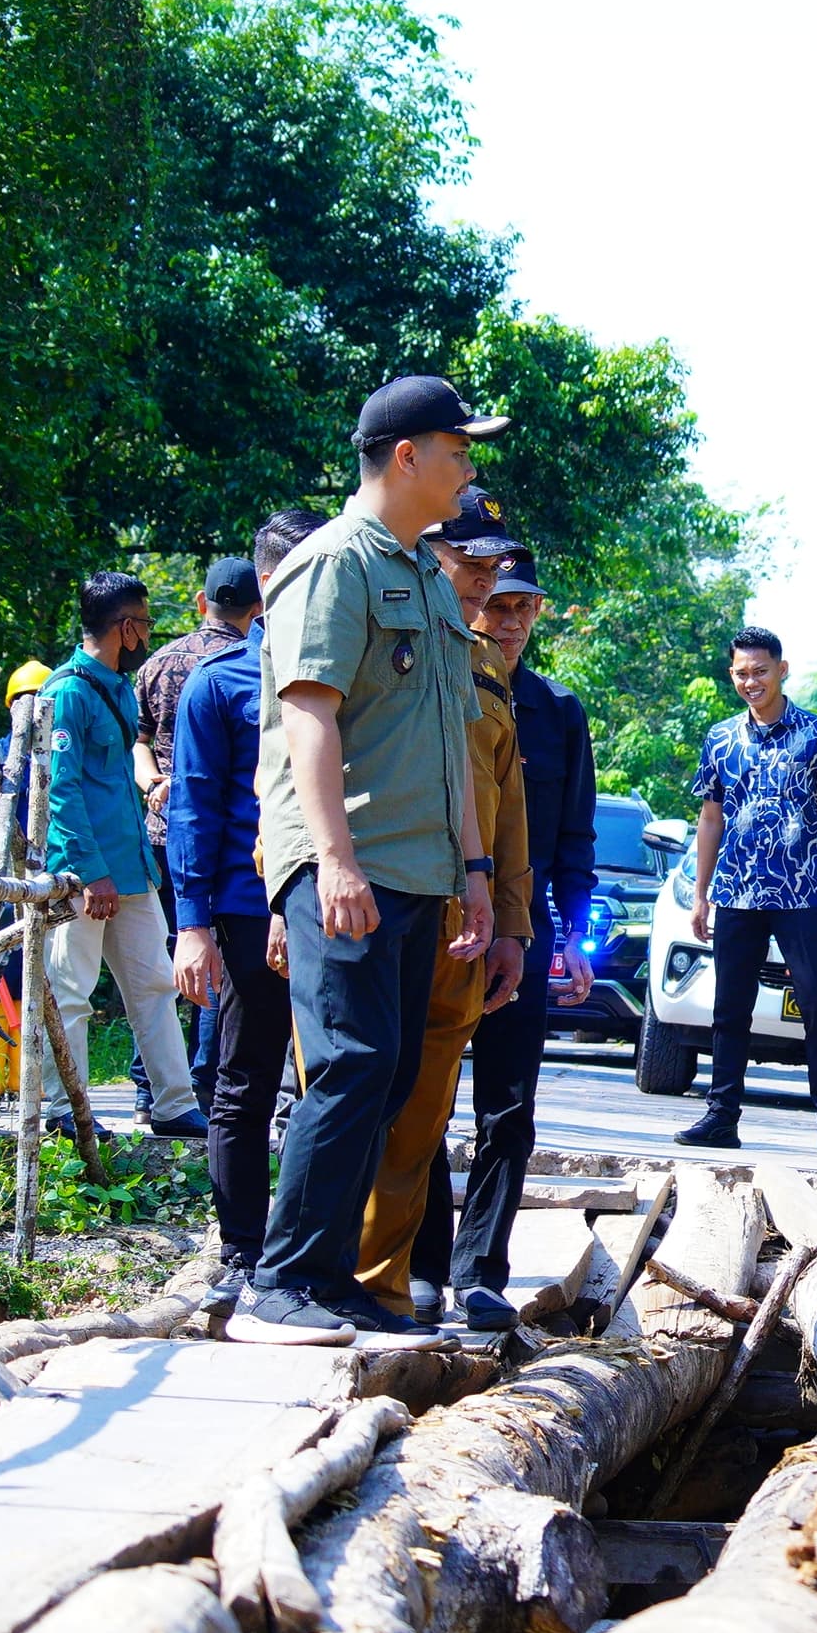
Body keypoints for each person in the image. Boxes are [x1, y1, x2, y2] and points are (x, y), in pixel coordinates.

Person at [234, 374, 504, 1349]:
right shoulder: (331, 565)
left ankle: (329, 1277)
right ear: (404, 456)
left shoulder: (428, 579)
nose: (467, 464)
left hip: (421, 873)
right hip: (348, 865)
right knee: (348, 1063)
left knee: (383, 1076)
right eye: (457, 448)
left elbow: (453, 744)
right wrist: (333, 863)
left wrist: (474, 873)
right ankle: (277, 1283)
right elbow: (307, 714)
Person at [353, 488, 533, 1321]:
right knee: (352, 1091)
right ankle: (316, 1277)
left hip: (462, 920)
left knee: (425, 1107)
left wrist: (512, 924)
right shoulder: (365, 621)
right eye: (474, 562)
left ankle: (384, 1286)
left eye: (498, 566)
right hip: (368, 899)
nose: (489, 582)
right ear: (427, 552)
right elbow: (293, 764)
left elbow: (506, 807)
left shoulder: (485, 664)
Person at [429, 541, 600, 1330]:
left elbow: (570, 837)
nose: (512, 621)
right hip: (436, 918)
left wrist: (564, 936)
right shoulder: (437, 679)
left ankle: (479, 1270)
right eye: (499, 604)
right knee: (420, 1096)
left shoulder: (558, 711)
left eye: (525, 607)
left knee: (507, 1107)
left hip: (517, 929)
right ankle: (424, 1262)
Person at [169, 510, 324, 1312]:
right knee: (246, 1078)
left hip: (331, 899)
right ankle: (241, 1251)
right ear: (267, 584)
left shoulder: (348, 673)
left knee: (336, 1078)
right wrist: (191, 925)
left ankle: (314, 1252)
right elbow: (193, 809)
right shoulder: (218, 682)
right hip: (239, 905)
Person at [675, 627, 817, 1154]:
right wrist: (700, 893)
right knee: (730, 1008)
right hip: (736, 893)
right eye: (742, 673)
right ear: (732, 675)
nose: (751, 682)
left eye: (760, 671)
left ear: (782, 670)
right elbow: (709, 818)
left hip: (802, 894)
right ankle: (721, 1116)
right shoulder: (720, 739)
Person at [41, 573, 205, 1140]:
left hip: (132, 870)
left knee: (156, 985)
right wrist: (91, 873)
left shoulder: (114, 686)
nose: (147, 638)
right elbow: (59, 790)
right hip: (83, 875)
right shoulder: (66, 693)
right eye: (146, 625)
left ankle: (174, 1105)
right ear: (126, 627)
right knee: (71, 992)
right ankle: (64, 1112)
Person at [134, 556, 265, 1111]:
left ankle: (148, 1083)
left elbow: (137, 738)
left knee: (175, 953)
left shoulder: (160, 662)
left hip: (167, 831)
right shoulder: (253, 665)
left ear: (200, 602)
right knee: (220, 968)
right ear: (258, 607)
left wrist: (151, 782)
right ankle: (204, 1079)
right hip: (225, 840)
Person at [0, 658, 52, 831]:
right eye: (23, 699)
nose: (32, 706)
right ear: (12, 706)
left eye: (39, 699)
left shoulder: (66, 755)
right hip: (3, 853)